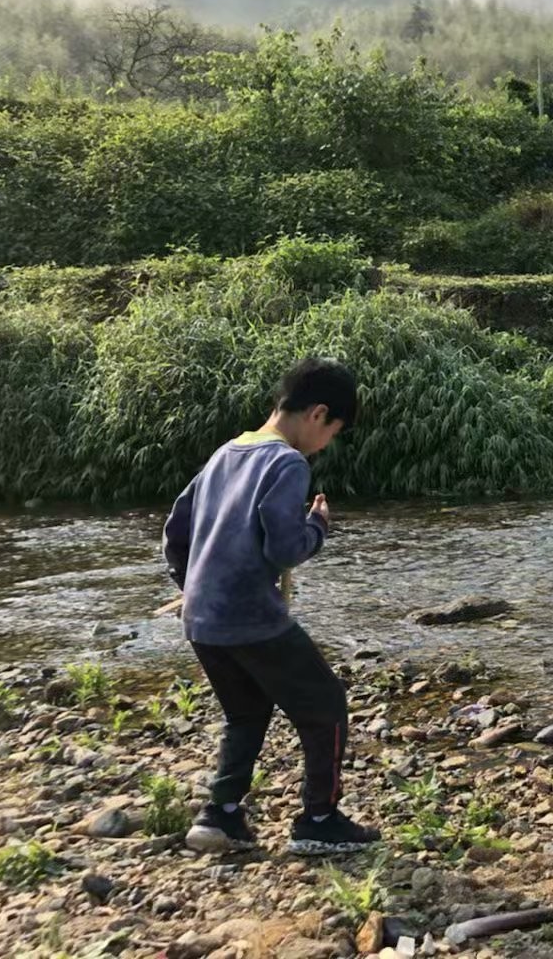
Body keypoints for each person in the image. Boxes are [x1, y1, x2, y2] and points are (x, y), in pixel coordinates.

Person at [163, 357, 381, 856]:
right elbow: (285, 549)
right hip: (252, 616)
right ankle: (319, 819)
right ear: (319, 414)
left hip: (202, 619)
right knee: (326, 705)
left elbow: (175, 534)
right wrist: (318, 525)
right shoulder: (286, 463)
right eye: (335, 431)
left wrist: (192, 585)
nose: (328, 443)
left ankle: (222, 815)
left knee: (246, 711)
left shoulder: (226, 453)